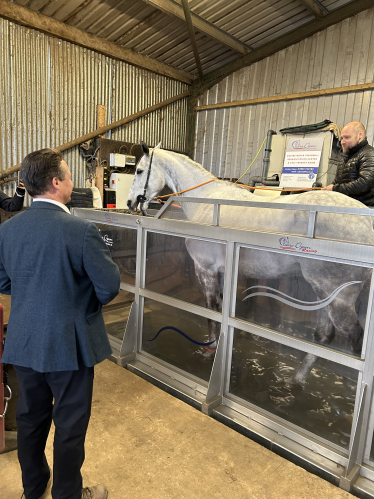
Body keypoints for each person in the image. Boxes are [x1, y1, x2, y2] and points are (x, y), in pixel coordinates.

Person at [0, 149, 121, 499]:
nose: (71, 182)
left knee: (30, 420)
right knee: (69, 426)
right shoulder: (81, 231)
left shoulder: (8, 230)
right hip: (70, 347)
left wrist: (33, 292)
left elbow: (4, 282)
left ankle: (33, 490)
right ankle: (68, 495)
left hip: (23, 343)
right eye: (68, 176)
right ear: (56, 183)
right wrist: (78, 303)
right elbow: (109, 286)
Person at [322, 121, 374, 205]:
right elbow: (337, 181)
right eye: (342, 138)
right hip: (346, 206)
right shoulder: (345, 156)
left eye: (347, 137)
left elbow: (364, 183)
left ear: (360, 135)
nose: (342, 142)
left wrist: (335, 188)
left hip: (363, 209)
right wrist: (329, 187)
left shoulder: (369, 154)